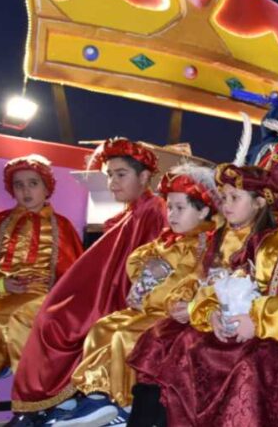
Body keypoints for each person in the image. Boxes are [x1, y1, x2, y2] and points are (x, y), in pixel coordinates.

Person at [129, 145, 278, 426]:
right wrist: (210, 312)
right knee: (181, 341)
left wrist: (255, 321)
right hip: (251, 324)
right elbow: (232, 278)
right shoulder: (267, 238)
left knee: (247, 365)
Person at [9, 139, 166, 424]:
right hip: (105, 292)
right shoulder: (129, 213)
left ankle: (67, 401)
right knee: (38, 316)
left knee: (54, 321)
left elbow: (150, 267)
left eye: (121, 175)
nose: (113, 183)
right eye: (109, 175)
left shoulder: (155, 210)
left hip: (122, 298)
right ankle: (50, 403)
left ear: (144, 177)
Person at [50, 164, 218, 426]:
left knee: (124, 337)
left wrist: (160, 290)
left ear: (204, 210)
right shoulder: (166, 239)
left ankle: (123, 403)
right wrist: (146, 270)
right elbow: (136, 262)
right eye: (170, 207)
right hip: (146, 308)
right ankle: (97, 394)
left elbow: (193, 280)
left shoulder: (203, 244)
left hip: (169, 314)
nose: (172, 214)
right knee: (103, 327)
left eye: (180, 208)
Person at [0, 156, 83, 427]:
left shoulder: (61, 226)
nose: (26, 191)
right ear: (11, 189)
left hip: (38, 293)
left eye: (33, 184)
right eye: (19, 185)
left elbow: (72, 274)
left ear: (46, 187)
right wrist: (3, 285)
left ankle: (18, 385)